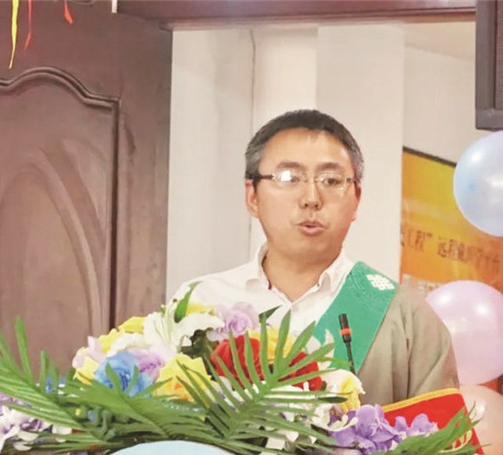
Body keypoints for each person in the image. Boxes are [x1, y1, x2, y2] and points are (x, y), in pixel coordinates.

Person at [173, 109, 458, 406]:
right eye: (289, 178)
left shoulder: (407, 318)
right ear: (253, 196)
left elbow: (441, 434)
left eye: (331, 180)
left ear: (356, 199)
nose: (311, 198)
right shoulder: (199, 303)